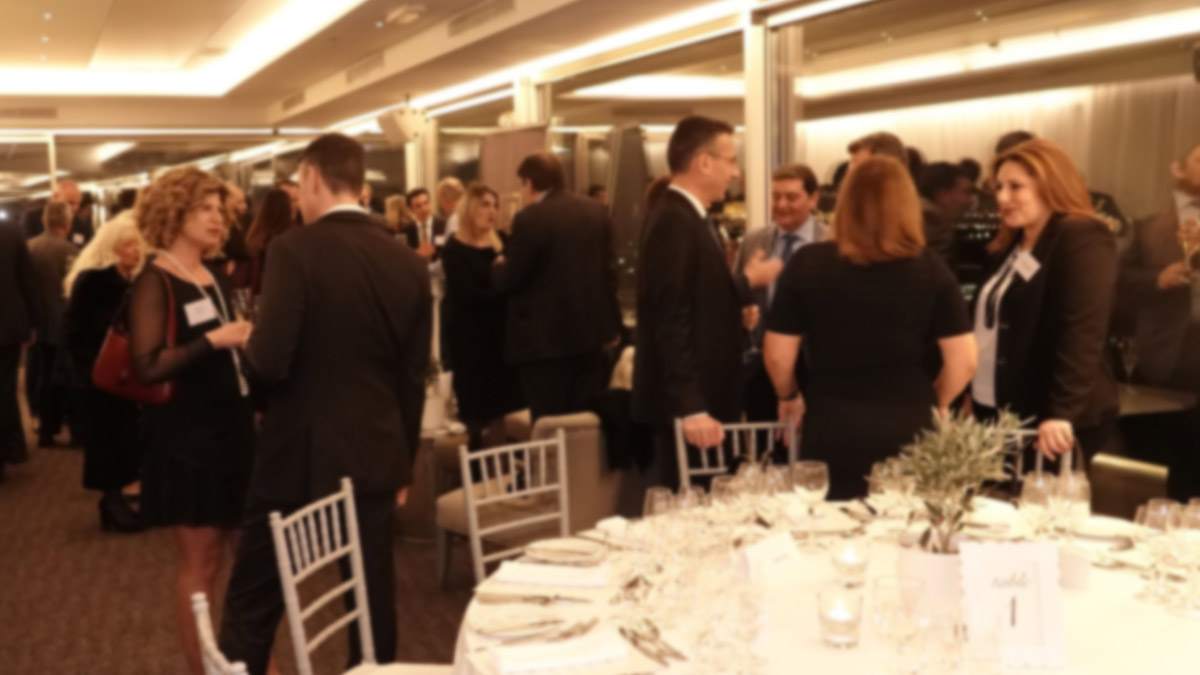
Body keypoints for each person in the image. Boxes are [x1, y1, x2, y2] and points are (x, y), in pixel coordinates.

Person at [219, 134, 431, 675]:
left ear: (311, 177)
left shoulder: (294, 249)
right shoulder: (407, 261)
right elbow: (412, 379)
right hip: (376, 453)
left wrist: (248, 344)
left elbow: (269, 363)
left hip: (297, 454)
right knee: (371, 604)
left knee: (253, 601)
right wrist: (403, 462)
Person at [763, 157, 976, 499]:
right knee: (905, 522)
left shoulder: (808, 263)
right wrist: (935, 401)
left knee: (829, 525)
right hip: (910, 424)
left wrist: (788, 396)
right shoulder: (930, 267)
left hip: (832, 423)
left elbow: (777, 357)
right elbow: (964, 360)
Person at [129, 167, 255, 675]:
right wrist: (214, 341)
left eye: (220, 210)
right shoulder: (155, 280)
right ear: (174, 213)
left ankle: (244, 658)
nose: (217, 219)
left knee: (242, 563)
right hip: (188, 439)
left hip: (234, 430)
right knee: (200, 566)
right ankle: (203, 668)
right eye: (204, 209)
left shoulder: (215, 276)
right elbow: (147, 366)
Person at [632, 116, 778, 472]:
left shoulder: (689, 216)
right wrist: (692, 407)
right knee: (693, 502)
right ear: (704, 162)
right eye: (731, 161)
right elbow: (671, 317)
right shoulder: (674, 219)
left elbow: (695, 299)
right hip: (694, 410)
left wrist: (732, 309)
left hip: (706, 401)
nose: (736, 173)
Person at [968, 139, 1118, 465]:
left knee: (1039, 498)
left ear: (1052, 185)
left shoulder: (1082, 236)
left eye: (1015, 186)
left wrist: (1062, 411)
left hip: (1051, 415)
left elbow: (1083, 329)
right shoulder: (1010, 245)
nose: (1002, 197)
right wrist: (971, 392)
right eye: (999, 187)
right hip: (998, 408)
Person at [492, 152, 621, 421]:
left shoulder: (530, 217)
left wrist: (499, 264)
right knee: (584, 420)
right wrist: (614, 325)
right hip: (591, 337)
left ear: (529, 183)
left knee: (549, 422)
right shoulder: (596, 211)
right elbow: (609, 274)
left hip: (544, 342)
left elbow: (511, 279)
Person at [1119, 138, 1200, 499]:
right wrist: (1157, 279)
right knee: (1157, 459)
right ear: (1178, 169)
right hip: (1166, 354)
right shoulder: (1148, 224)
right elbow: (1118, 280)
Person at [63, 211, 146, 532]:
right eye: (128, 245)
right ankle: (111, 502)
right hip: (99, 375)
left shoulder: (130, 281)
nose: (136, 250)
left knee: (123, 438)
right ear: (112, 246)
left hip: (123, 374)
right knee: (108, 440)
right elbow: (73, 332)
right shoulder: (94, 280)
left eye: (138, 244)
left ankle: (116, 501)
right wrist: (91, 370)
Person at [734, 164, 828, 425]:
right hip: (761, 367)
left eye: (791, 197)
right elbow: (736, 293)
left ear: (813, 199)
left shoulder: (831, 242)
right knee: (766, 442)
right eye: (776, 196)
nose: (781, 205)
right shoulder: (754, 240)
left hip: (814, 364)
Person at [443, 183, 525, 446]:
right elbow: (469, 296)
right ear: (470, 208)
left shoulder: (502, 242)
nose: (492, 211)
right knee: (478, 415)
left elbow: (516, 284)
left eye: (495, 206)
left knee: (506, 410)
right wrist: (502, 287)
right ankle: (478, 467)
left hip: (502, 339)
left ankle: (506, 465)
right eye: (485, 205)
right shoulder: (454, 249)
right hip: (470, 342)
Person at [848, 131, 957, 269]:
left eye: (860, 172)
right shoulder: (853, 216)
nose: (850, 182)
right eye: (851, 172)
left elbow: (929, 274)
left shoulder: (925, 216)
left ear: (891, 171)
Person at [27, 201, 79, 447]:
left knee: (44, 377)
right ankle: (76, 433)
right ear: (68, 223)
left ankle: (45, 431)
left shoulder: (29, 247)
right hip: (64, 325)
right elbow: (74, 291)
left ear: (44, 220)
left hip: (38, 325)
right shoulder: (71, 251)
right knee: (69, 381)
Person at [0, 220, 38, 482]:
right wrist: (33, 323)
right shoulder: (10, 232)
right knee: (4, 392)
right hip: (7, 326)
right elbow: (27, 281)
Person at [243, 188, 295, 298]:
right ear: (287, 209)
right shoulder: (289, 238)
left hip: (258, 294)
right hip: (280, 295)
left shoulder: (256, 235)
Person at [405, 187, 441, 260]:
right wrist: (416, 253)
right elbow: (404, 255)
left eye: (426, 203)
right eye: (418, 206)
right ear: (411, 210)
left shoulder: (443, 224)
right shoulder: (406, 230)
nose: (424, 209)